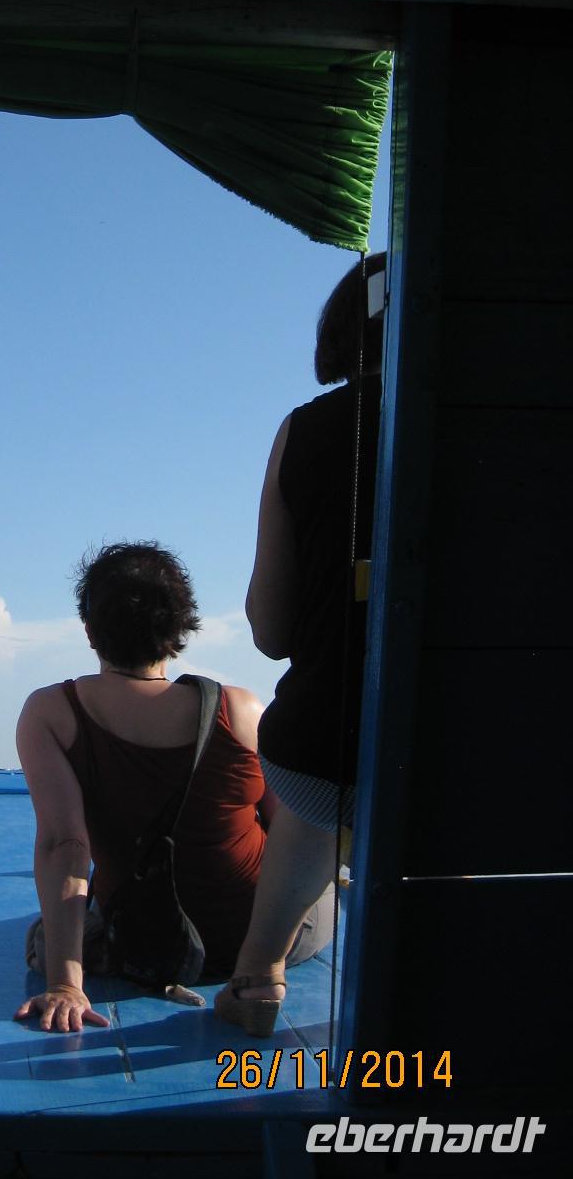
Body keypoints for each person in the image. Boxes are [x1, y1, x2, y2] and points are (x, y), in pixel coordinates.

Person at [14, 541, 332, 1033]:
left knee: (43, 933)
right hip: (258, 936)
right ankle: (259, 971)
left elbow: (65, 845)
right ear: (180, 629)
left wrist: (65, 983)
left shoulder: (52, 713)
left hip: (142, 940)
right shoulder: (240, 710)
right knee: (321, 886)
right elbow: (292, 827)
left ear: (90, 630)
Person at [217, 253, 384, 1035]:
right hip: (499, 761)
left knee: (314, 796)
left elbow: (272, 629)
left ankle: (260, 971)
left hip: (330, 752)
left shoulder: (308, 430)